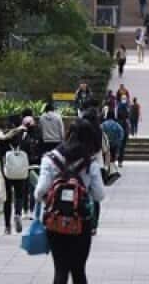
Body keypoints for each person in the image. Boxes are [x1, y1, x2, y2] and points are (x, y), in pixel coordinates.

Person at [35, 118, 107, 284]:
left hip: (55, 221)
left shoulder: (50, 159)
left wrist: (50, 198)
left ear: (67, 134)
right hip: (81, 222)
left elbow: (39, 192)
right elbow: (99, 195)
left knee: (60, 270)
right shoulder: (90, 163)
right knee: (79, 270)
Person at [0, 114, 34, 234]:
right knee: (19, 194)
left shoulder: (2, 134)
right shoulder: (23, 135)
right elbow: (29, 151)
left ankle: (7, 226)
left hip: (7, 169)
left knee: (7, 198)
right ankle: (17, 213)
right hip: (21, 169)